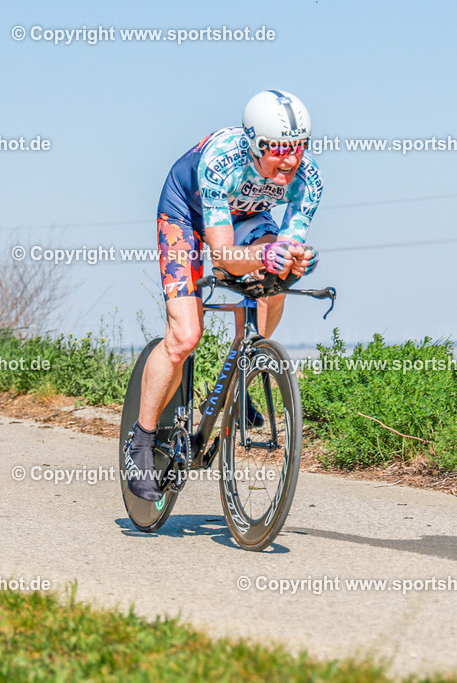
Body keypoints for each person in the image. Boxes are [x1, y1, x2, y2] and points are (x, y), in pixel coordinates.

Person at [125, 90, 323, 501]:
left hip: (248, 216)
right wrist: (265, 255)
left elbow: (282, 251)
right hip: (188, 212)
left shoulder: (310, 180)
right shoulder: (222, 161)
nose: (289, 161)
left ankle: (240, 376)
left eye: (298, 149)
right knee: (184, 337)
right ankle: (140, 442)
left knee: (275, 281)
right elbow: (226, 257)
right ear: (254, 145)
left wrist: (293, 259)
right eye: (279, 150)